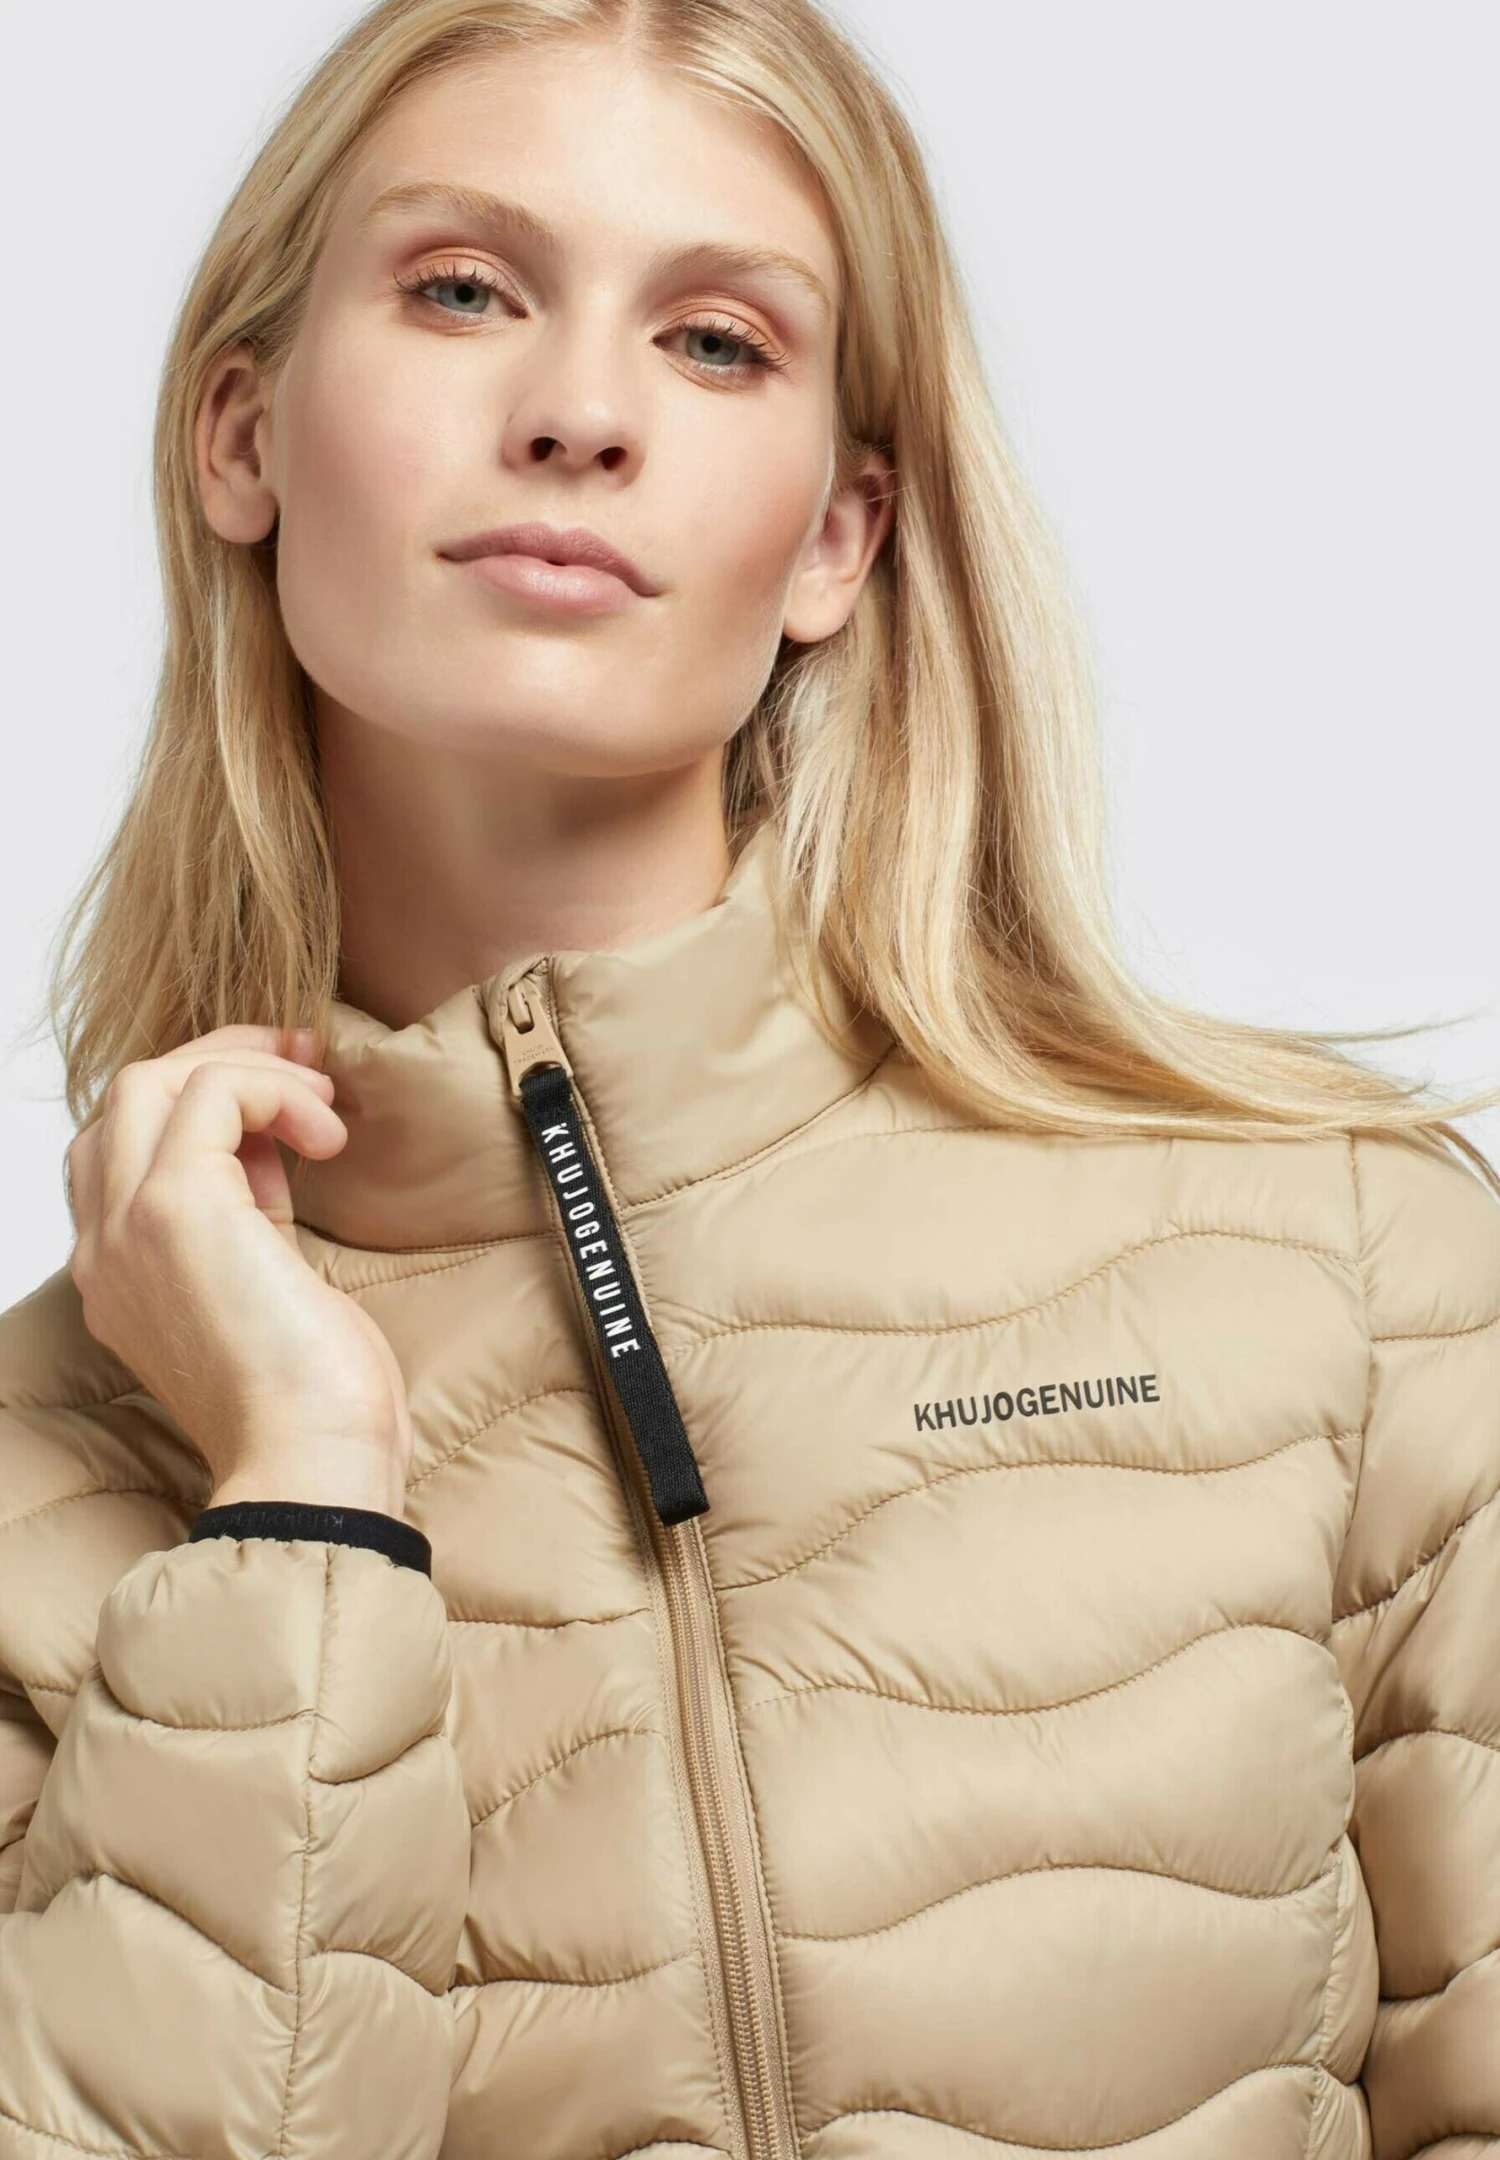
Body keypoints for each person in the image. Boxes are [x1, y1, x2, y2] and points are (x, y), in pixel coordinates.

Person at [1, 1, 1496, 2155]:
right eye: (463, 290)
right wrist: (298, 1493)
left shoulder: (1349, 1266)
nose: (579, 412)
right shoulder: (38, 1482)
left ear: (834, 540)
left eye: (716, 342)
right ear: (241, 431)